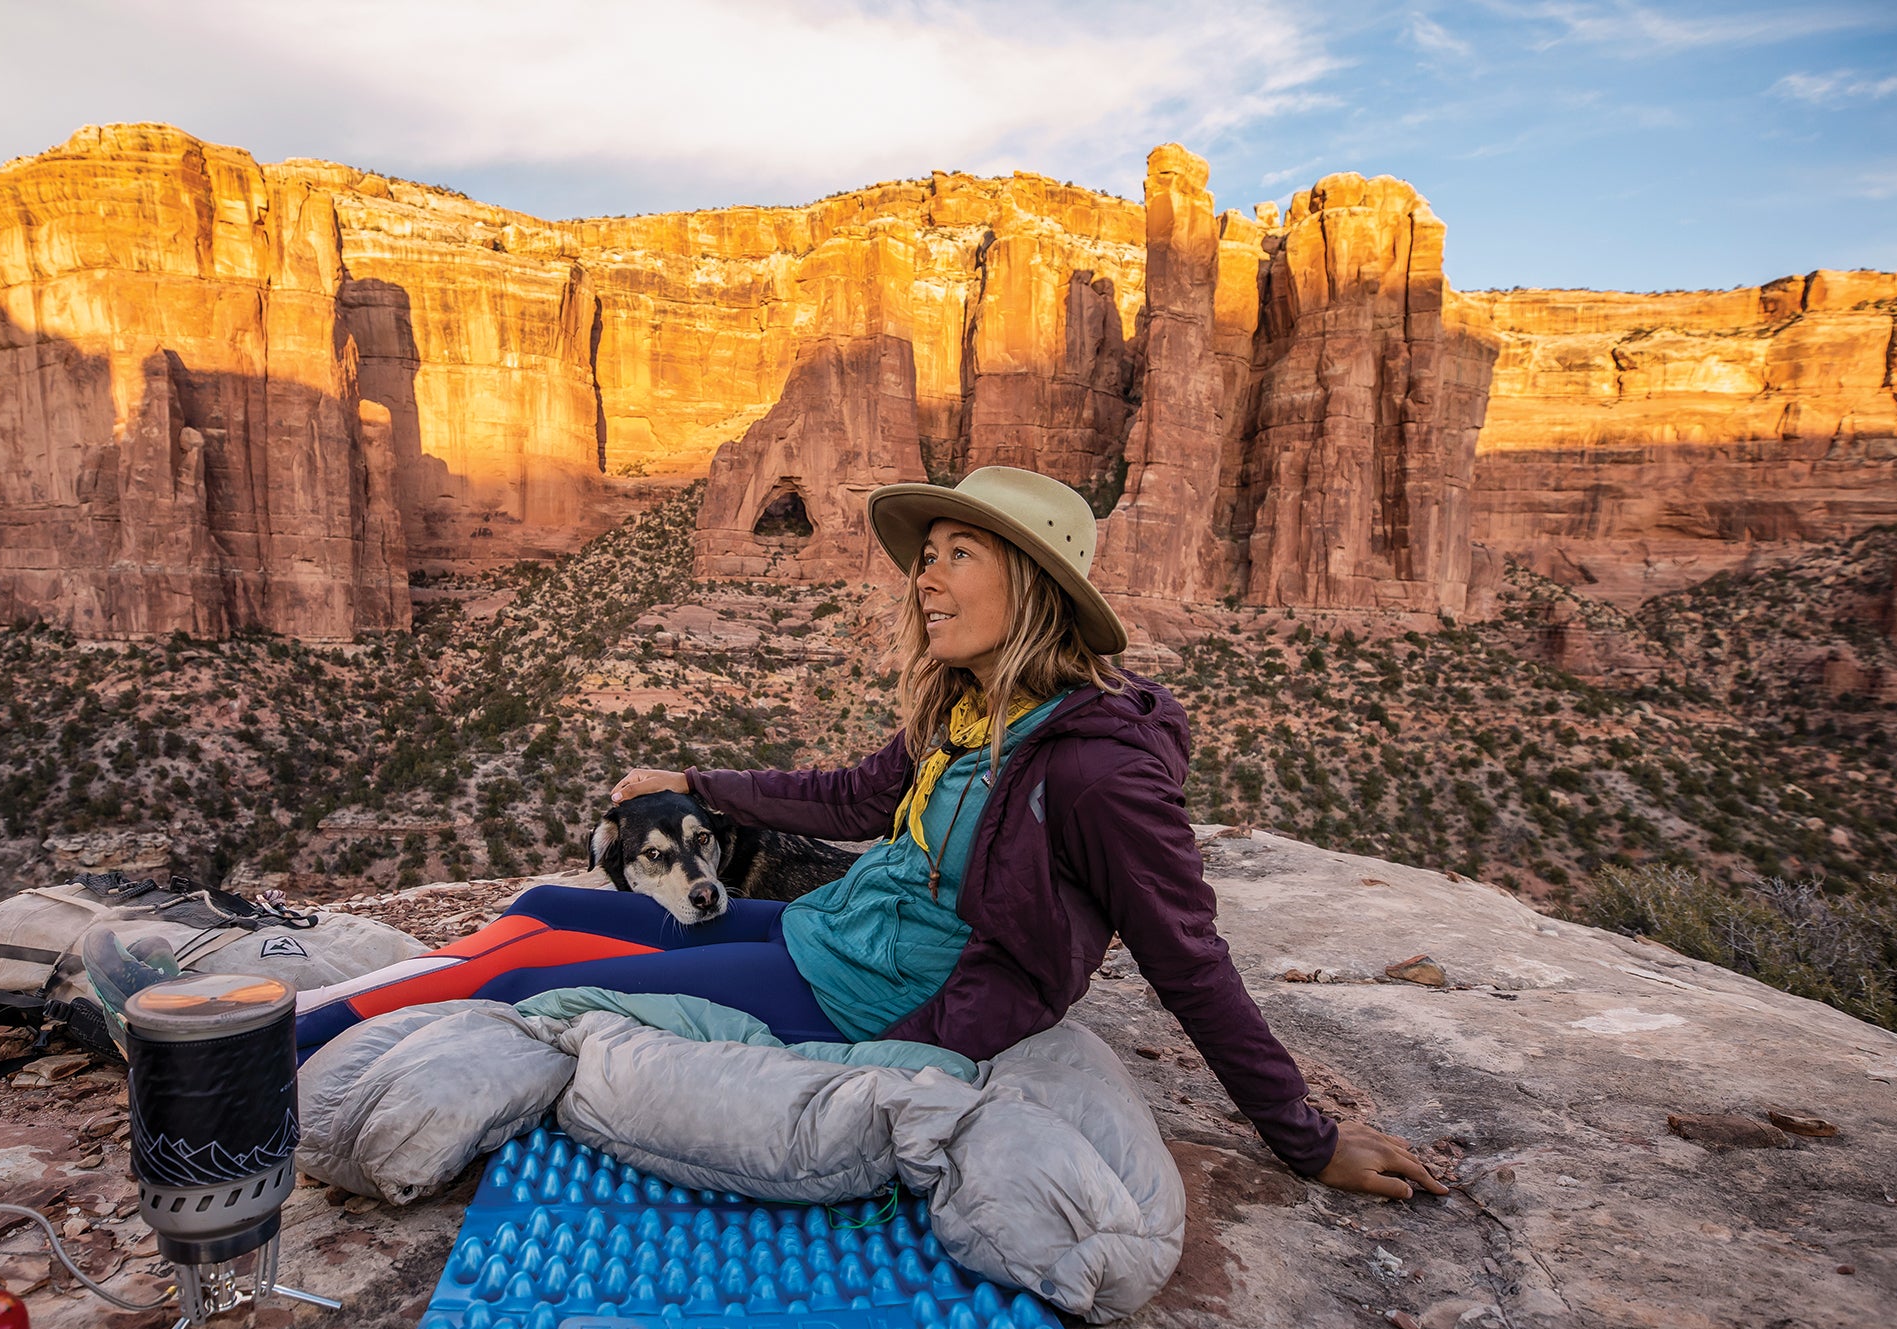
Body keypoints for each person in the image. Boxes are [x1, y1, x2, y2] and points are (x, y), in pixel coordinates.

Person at [292, 466, 1443, 1199]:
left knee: (541, 966)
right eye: (927, 554)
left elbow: (1190, 961)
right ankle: (325, 1016)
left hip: (890, 997)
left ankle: (253, 1059)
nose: (923, 579)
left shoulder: (1096, 771)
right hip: (833, 934)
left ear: (1031, 584)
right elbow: (850, 798)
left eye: (956, 555)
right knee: (543, 910)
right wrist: (694, 776)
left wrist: (1305, 1137)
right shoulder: (965, 705)